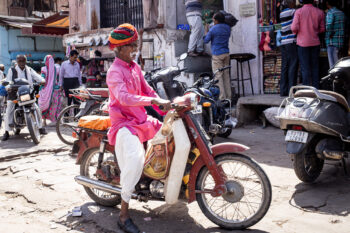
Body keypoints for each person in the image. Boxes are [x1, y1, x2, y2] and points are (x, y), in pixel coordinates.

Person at [107, 23, 170, 233]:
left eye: (136, 45)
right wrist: (152, 102)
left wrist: (166, 107)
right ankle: (123, 215)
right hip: (123, 123)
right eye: (132, 46)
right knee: (135, 158)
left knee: (173, 136)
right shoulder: (114, 72)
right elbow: (124, 98)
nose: (135, 49)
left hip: (141, 121)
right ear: (121, 48)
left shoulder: (135, 68)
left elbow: (148, 90)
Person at [2, 55, 47, 141]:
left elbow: (38, 77)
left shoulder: (29, 69)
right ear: (17, 61)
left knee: (36, 108)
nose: (22, 62)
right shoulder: (12, 70)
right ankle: (7, 131)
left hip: (27, 92)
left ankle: (40, 127)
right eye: (20, 61)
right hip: (15, 93)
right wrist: (8, 87)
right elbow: (7, 81)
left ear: (26, 61)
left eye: (23, 61)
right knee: (9, 109)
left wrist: (42, 81)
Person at [291, 0, 325, 88]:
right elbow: (322, 29)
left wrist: (298, 32)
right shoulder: (320, 12)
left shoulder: (298, 12)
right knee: (315, 67)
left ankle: (306, 92)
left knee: (305, 68)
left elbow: (294, 27)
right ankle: (316, 90)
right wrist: (314, 31)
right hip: (315, 43)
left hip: (303, 44)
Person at [204, 11, 231, 100]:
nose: (213, 21)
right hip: (226, 53)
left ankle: (222, 98)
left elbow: (206, 40)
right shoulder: (228, 28)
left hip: (217, 55)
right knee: (226, 76)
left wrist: (206, 31)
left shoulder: (213, 29)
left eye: (214, 20)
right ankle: (229, 98)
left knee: (218, 76)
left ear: (217, 20)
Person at [279, 0, 298, 96]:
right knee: (293, 65)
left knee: (284, 66)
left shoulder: (281, 13)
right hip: (291, 41)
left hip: (283, 42)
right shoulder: (293, 12)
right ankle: (292, 90)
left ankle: (283, 91)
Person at [38, 55, 64, 125]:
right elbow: (59, 79)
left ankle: (44, 121)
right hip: (56, 89)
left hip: (45, 90)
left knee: (44, 105)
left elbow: (42, 78)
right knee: (55, 106)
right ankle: (54, 120)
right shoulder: (57, 69)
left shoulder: (43, 69)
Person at [325, 0, 345, 68]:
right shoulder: (342, 13)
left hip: (332, 42)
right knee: (339, 65)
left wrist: (328, 35)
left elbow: (329, 25)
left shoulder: (330, 12)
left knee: (333, 67)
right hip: (340, 42)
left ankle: (335, 79)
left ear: (327, 3)